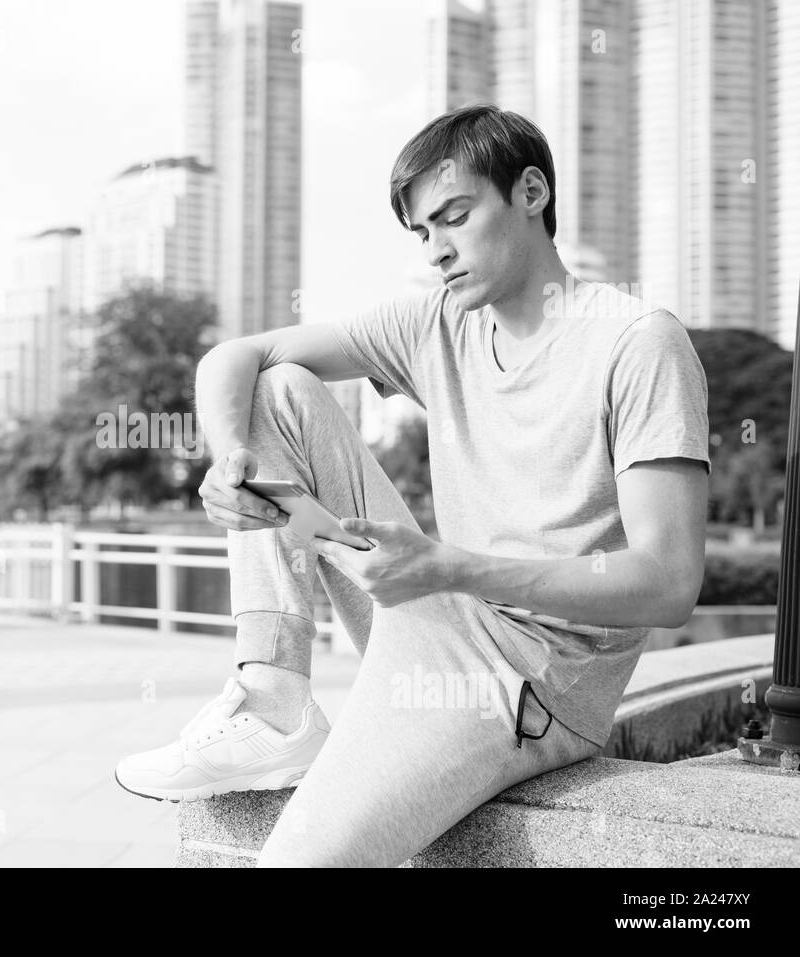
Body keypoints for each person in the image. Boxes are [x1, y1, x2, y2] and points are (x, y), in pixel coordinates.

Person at [113, 104, 711, 867]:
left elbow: (669, 582)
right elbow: (234, 355)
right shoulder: (440, 324)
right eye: (422, 232)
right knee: (278, 388)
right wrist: (228, 458)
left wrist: (450, 567)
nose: (437, 250)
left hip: (535, 679)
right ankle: (273, 699)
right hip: (431, 609)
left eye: (454, 217)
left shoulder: (639, 344)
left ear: (531, 193)